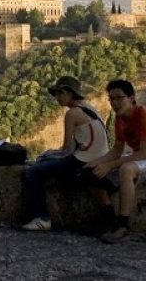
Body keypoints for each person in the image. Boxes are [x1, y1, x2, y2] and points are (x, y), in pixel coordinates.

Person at [83, 79, 146, 243]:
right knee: (90, 173)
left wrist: (108, 165)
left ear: (131, 98)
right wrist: (96, 162)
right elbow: (116, 150)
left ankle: (123, 225)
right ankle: (109, 220)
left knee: (127, 170)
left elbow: (143, 154)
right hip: (141, 158)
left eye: (119, 98)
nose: (115, 103)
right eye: (111, 99)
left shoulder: (144, 115)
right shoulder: (120, 119)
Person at [21, 75, 110, 231]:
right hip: (98, 156)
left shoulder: (72, 114)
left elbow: (66, 149)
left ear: (68, 93)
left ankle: (41, 218)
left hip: (83, 160)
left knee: (33, 171)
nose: (57, 98)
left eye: (58, 94)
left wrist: (46, 156)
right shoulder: (89, 108)